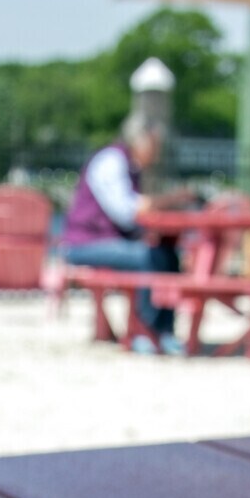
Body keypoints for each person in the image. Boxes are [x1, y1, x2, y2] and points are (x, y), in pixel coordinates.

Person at [63, 118, 182, 352]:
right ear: (142, 140)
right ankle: (143, 331)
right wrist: (169, 201)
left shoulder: (128, 165)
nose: (156, 153)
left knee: (168, 255)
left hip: (108, 241)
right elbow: (125, 212)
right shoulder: (112, 161)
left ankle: (164, 331)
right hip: (85, 243)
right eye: (155, 145)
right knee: (147, 257)